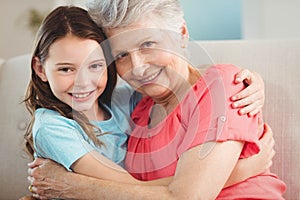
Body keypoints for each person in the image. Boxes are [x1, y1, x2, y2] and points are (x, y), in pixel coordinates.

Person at [24, 2, 285, 200]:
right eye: (122, 54)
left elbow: (186, 197)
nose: (137, 68)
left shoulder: (222, 87)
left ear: (182, 34)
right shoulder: (138, 108)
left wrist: (73, 186)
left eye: (148, 44)